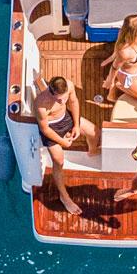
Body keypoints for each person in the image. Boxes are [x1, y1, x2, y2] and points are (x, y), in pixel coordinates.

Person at [33, 74, 97, 216]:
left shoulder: (69, 86)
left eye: (64, 97)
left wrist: (76, 125)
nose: (62, 101)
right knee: (58, 160)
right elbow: (45, 129)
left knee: (93, 132)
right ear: (50, 91)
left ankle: (92, 152)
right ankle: (64, 197)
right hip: (51, 128)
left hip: (65, 119)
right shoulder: (40, 104)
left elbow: (73, 102)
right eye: (58, 98)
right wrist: (62, 142)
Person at [96, 14, 137, 104]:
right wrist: (110, 80)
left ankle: (114, 91)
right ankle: (119, 86)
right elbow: (115, 67)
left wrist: (109, 59)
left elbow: (116, 51)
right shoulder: (125, 51)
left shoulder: (125, 36)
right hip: (129, 77)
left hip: (134, 70)